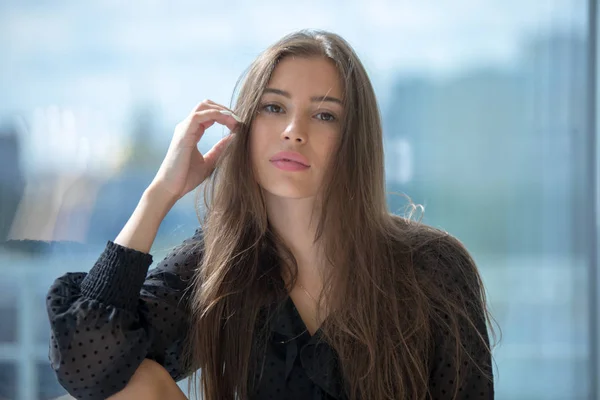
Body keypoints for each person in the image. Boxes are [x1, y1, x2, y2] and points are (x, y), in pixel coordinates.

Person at [13, 29, 495, 399]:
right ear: (245, 126)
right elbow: (86, 365)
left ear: (355, 143)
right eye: (272, 107)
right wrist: (159, 194)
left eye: (324, 115)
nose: (293, 130)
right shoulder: (220, 264)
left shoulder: (433, 267)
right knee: (130, 382)